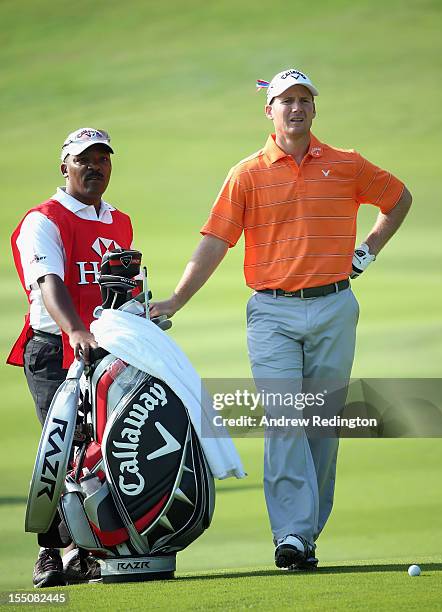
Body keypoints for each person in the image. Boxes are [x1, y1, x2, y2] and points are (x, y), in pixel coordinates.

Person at [149, 68, 412, 569]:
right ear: (268, 111)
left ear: (314, 108)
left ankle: (306, 532)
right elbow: (216, 240)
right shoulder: (247, 174)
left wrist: (368, 251)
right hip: (272, 312)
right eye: (284, 100)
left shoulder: (347, 164)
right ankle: (291, 535)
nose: (295, 108)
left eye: (302, 100)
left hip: (335, 305)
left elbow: (399, 198)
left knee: (320, 425)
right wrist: (177, 299)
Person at [7, 127, 135, 587]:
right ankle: (49, 552)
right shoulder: (43, 219)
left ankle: (87, 549)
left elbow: (120, 289)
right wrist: (75, 328)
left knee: (98, 452)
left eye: (102, 159)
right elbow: (49, 283)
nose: (94, 167)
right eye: (83, 159)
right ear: (65, 166)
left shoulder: (120, 221)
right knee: (60, 450)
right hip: (54, 349)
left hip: (101, 350)